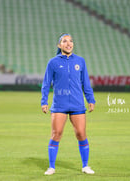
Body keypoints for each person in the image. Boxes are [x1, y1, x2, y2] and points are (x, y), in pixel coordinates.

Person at [41, 33, 96, 175]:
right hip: (60, 104)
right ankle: (51, 167)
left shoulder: (80, 61)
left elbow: (86, 83)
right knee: (56, 133)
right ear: (59, 45)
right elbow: (46, 83)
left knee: (81, 133)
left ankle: (85, 166)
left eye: (70, 41)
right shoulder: (52, 62)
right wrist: (44, 101)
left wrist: (90, 99)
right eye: (64, 41)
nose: (68, 43)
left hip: (77, 104)